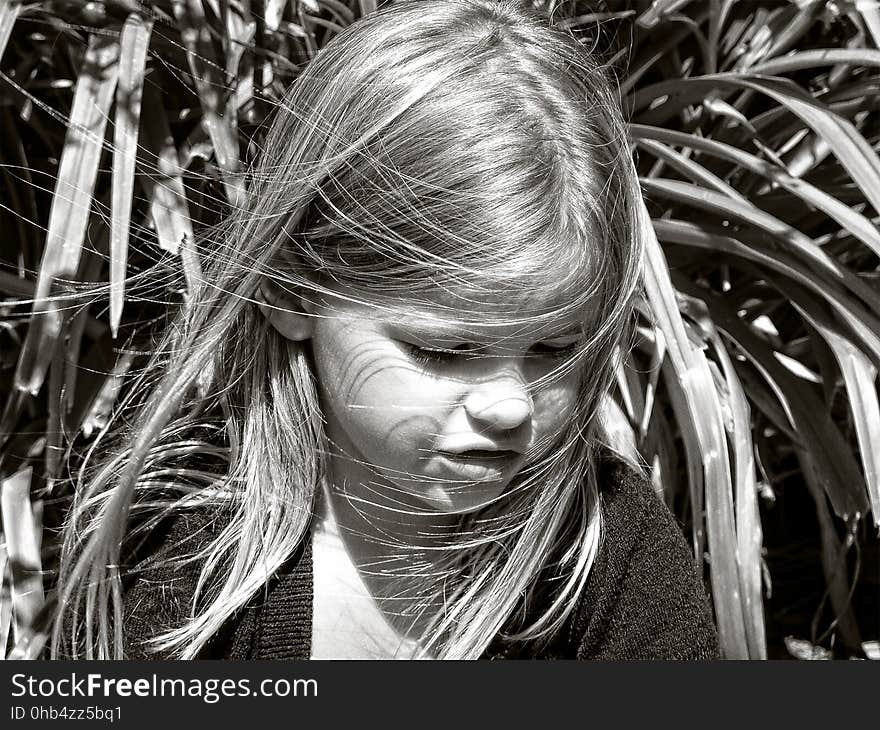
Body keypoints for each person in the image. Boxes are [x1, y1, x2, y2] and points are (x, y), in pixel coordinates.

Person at [52, 0, 718, 660]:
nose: (511, 404)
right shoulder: (182, 558)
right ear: (289, 293)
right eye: (446, 349)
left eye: (555, 346)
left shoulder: (606, 548)